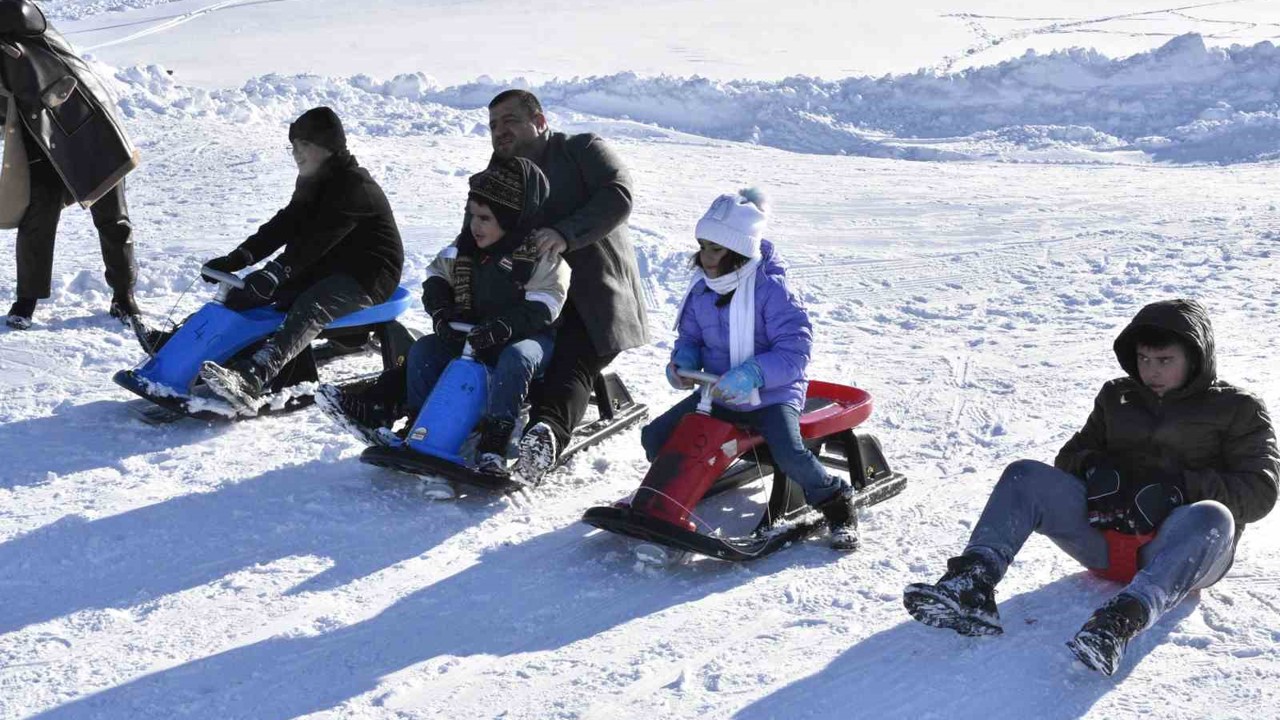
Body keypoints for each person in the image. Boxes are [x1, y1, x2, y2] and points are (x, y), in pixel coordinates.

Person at [903, 299, 1279, 676]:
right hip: (1105, 544)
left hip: (1179, 553)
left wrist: (1180, 488)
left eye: (1164, 360)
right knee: (1025, 475)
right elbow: (1070, 457)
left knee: (1213, 517)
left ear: (1195, 357)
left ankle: (1119, 622)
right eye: (1144, 359)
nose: (1151, 371)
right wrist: (1098, 470)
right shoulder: (1118, 396)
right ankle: (973, 579)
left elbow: (1261, 491)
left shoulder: (1238, 408)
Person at [637, 188, 859, 550]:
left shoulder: (772, 290)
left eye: (715, 249)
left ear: (738, 250)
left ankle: (836, 501)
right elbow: (690, 336)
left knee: (788, 453)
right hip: (719, 392)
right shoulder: (702, 290)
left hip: (772, 395)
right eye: (703, 246)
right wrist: (685, 362)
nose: (705, 258)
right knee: (656, 437)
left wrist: (753, 373)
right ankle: (681, 488)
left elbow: (794, 352)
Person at [320, 156, 570, 477]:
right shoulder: (464, 248)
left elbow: (545, 304)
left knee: (515, 357)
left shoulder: (539, 255)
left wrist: (504, 327)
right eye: (471, 216)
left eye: (485, 218)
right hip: (474, 334)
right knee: (424, 349)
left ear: (510, 219)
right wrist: (441, 312)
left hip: (528, 338)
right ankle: (418, 423)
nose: (474, 225)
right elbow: (436, 276)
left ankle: (494, 442)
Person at [481, 89, 649, 485]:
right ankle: (399, 408)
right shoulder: (500, 171)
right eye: (492, 125)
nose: (499, 131)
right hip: (533, 297)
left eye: (509, 120)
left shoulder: (582, 149)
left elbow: (618, 193)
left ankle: (544, 436)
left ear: (540, 121)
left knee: (569, 361)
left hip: (592, 298)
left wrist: (565, 233)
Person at [197, 107, 403, 414]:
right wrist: (240, 257)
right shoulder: (312, 180)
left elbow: (318, 239)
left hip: (368, 275)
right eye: (293, 146)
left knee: (310, 305)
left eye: (304, 145)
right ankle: (184, 348)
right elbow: (287, 224)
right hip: (328, 266)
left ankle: (254, 376)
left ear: (328, 146)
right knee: (245, 297)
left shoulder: (355, 186)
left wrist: (277, 272)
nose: (296, 153)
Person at [0, 0, 145, 334]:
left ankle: (124, 295)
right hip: (40, 132)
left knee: (112, 217)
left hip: (86, 122)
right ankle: (27, 299)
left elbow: (17, 11)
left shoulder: (23, 16)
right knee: (37, 215)